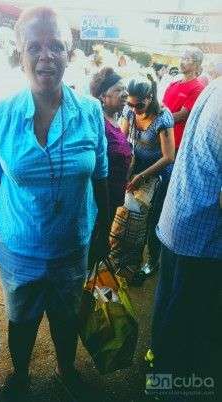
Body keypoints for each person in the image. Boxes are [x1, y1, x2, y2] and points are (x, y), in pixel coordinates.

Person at [0, 6, 110, 402]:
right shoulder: (1, 114)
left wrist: (102, 232)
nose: (46, 56)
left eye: (56, 47)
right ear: (20, 51)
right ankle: (21, 374)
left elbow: (101, 177)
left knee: (66, 317)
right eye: (35, 47)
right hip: (19, 245)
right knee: (21, 317)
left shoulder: (91, 113)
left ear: (70, 51)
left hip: (72, 244)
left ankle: (66, 369)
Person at [151, 76, 222, 401]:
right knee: (188, 322)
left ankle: (159, 378)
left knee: (169, 307)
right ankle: (170, 389)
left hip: (181, 220)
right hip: (204, 236)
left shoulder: (216, 85)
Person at [121, 74, 175, 278]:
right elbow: (123, 140)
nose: (134, 110)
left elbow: (169, 156)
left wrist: (141, 176)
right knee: (133, 216)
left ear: (150, 97)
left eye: (139, 106)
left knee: (153, 220)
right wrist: (126, 169)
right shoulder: (129, 110)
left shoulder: (163, 117)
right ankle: (130, 258)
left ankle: (153, 261)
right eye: (131, 104)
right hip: (137, 169)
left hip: (159, 174)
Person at [90, 67, 131, 217]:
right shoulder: (98, 123)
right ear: (102, 96)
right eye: (119, 90)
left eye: (125, 89)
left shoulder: (115, 120)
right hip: (100, 201)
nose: (126, 94)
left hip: (114, 194)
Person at [163, 47, 205, 151]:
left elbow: (182, 115)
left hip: (176, 143)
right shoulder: (173, 84)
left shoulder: (198, 88)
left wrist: (156, 121)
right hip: (161, 137)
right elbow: (162, 107)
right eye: (182, 58)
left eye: (186, 59)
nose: (182, 62)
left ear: (197, 64)